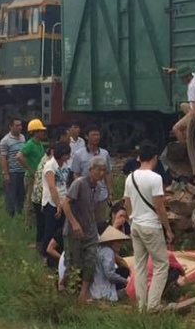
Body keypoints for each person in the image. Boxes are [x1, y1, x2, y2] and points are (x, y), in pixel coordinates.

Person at [124, 140, 174, 313]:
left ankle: (141, 305)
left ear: (139, 158)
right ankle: (153, 304)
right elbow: (159, 207)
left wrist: (131, 221)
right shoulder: (155, 178)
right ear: (154, 158)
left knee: (140, 266)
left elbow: (127, 203)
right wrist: (168, 229)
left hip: (135, 225)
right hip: (151, 226)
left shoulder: (130, 177)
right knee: (161, 264)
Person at [62, 156, 109, 304]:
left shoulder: (99, 188)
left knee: (91, 261)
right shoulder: (79, 183)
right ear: (90, 170)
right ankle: (63, 286)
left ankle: (83, 293)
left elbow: (93, 211)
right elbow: (66, 204)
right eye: (98, 170)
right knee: (74, 264)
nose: (101, 173)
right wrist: (74, 223)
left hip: (90, 231)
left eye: (104, 170)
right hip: (73, 231)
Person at [70, 124, 113, 226]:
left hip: (101, 195)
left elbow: (108, 173)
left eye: (98, 135)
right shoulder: (79, 155)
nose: (96, 137)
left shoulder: (104, 154)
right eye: (93, 135)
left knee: (101, 223)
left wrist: (110, 192)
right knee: (86, 222)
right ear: (86, 136)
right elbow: (75, 174)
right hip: (85, 195)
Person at [42, 142, 72, 267]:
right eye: (66, 154)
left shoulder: (65, 165)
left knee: (60, 230)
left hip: (64, 200)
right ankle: (46, 256)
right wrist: (58, 205)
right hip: (52, 202)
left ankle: (58, 255)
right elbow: (52, 187)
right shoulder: (50, 166)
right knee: (50, 229)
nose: (68, 156)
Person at [17, 118, 48, 228]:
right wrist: (30, 170)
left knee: (37, 202)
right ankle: (28, 225)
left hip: (38, 178)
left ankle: (35, 224)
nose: (44, 132)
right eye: (41, 131)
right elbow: (19, 156)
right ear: (35, 132)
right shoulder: (30, 144)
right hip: (31, 177)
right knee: (30, 202)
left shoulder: (39, 144)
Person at [168, 64, 195, 143]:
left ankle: (187, 147)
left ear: (186, 77)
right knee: (183, 105)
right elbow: (186, 71)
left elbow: (194, 109)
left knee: (176, 129)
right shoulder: (194, 76)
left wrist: (190, 127)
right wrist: (173, 70)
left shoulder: (192, 87)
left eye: (182, 78)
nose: (181, 80)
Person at [89, 226, 129, 301]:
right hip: (104, 291)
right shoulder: (108, 252)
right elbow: (110, 274)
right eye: (119, 241)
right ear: (113, 242)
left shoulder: (99, 249)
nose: (120, 244)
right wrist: (126, 281)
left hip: (94, 289)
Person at [0, 117, 26, 216]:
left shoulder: (23, 137)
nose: (20, 127)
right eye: (17, 125)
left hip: (22, 171)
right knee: (11, 195)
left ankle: (20, 212)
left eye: (20, 125)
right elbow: (3, 158)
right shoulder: (5, 141)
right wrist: (6, 174)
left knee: (21, 194)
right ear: (11, 126)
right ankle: (10, 215)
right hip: (12, 171)